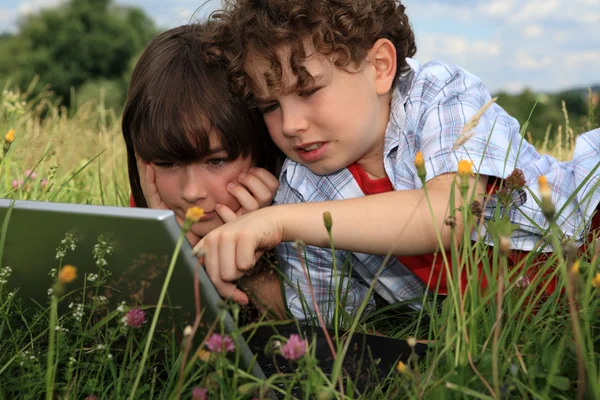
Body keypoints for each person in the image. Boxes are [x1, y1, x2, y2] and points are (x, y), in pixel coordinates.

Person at [194, 0, 600, 322]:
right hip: (522, 319)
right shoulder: (301, 189)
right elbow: (331, 320)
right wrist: (243, 262)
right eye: (269, 106)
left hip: (586, 235)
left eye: (308, 90)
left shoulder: (437, 93)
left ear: (380, 67)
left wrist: (276, 223)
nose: (291, 125)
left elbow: (449, 215)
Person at [121, 23, 287, 318]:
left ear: (259, 146)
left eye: (216, 161)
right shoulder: (155, 206)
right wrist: (175, 254)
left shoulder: (311, 192)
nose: (191, 192)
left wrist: (249, 262)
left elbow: (318, 326)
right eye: (167, 163)